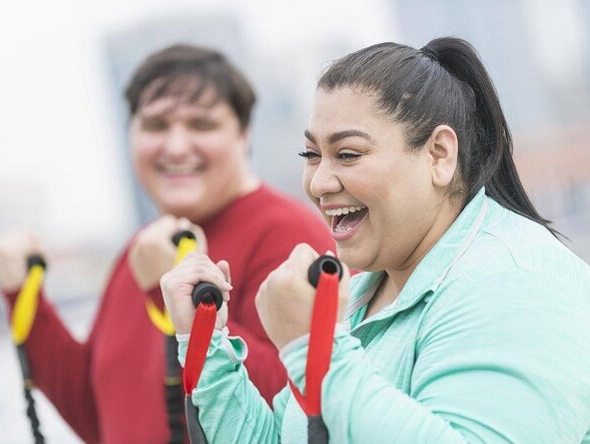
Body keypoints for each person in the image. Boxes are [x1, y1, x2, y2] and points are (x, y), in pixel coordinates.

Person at [160, 37, 590, 443]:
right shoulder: (365, 291)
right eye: (312, 155)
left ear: (439, 154)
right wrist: (205, 343)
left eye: (347, 154)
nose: (320, 182)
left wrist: (315, 350)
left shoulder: (513, 283)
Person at [0, 44, 335, 444]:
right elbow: (97, 415)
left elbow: (301, 405)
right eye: (156, 126)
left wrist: (169, 294)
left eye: (201, 125)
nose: (175, 147)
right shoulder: (142, 249)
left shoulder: (287, 235)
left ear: (243, 134)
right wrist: (23, 298)